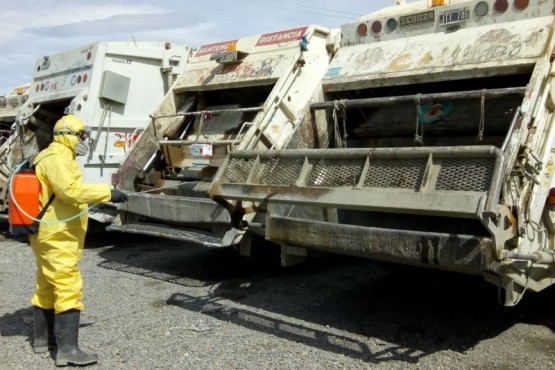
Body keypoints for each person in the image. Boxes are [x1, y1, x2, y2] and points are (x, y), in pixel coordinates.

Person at [29, 114, 128, 367]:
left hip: (49, 231)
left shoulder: (54, 156)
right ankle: (68, 352)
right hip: (57, 234)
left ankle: (43, 341)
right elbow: (70, 192)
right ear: (66, 135)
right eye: (81, 135)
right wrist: (108, 193)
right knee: (67, 285)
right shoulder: (57, 158)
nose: (84, 140)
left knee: (48, 284)